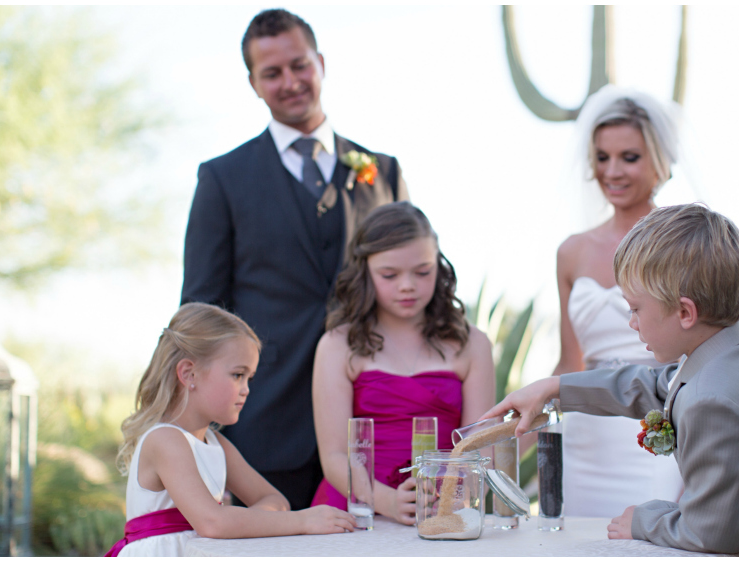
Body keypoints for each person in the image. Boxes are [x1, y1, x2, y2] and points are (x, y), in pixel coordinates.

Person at [480, 204, 739, 556]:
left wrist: (642, 520)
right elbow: (651, 385)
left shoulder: (715, 399)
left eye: (635, 308)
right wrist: (555, 389)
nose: (630, 322)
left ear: (685, 313)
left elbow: (712, 535)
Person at [180, 9, 409, 511]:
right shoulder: (223, 179)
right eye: (272, 73)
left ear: (321, 64)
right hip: (264, 423)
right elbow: (200, 309)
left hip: (371, 425)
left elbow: (413, 287)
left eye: (299, 65)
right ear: (253, 84)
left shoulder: (381, 172)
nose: (290, 82)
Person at [108, 303, 355, 557]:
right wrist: (303, 521)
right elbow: (212, 523)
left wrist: (235, 520)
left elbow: (276, 501)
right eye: (237, 375)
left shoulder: (216, 444)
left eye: (249, 377)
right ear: (189, 373)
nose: (246, 389)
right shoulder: (164, 440)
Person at [310, 202, 495, 525]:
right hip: (354, 512)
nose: (407, 285)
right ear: (364, 271)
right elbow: (334, 455)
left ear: (439, 267)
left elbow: (476, 451)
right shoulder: (337, 345)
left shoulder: (473, 344)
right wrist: (387, 501)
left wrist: (448, 500)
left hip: (442, 512)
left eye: (422, 271)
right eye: (389, 275)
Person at [551, 85, 683, 516]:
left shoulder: (683, 242)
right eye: (603, 157)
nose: (613, 171)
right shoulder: (571, 251)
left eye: (630, 157)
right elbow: (570, 359)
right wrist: (520, 418)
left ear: (658, 159)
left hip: (657, 427)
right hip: (586, 438)